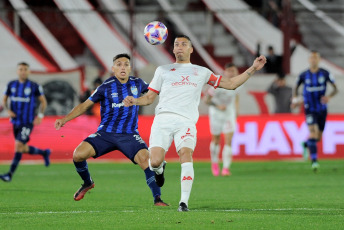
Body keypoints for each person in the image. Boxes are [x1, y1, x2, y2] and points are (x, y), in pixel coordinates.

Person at [123, 35, 267, 211]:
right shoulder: (162, 70)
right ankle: (160, 169)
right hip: (163, 119)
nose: (180, 47)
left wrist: (253, 68)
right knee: (154, 161)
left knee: (186, 154)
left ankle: (183, 202)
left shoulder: (201, 71)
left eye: (184, 44)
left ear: (191, 49)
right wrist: (135, 101)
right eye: (177, 44)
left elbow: (230, 84)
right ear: (173, 49)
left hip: (186, 121)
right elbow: (149, 98)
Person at [54, 54, 168, 206]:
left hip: (129, 135)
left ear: (130, 68)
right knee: (78, 155)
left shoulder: (138, 83)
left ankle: (157, 199)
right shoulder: (105, 87)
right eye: (119, 64)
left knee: (145, 161)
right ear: (113, 68)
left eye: (126, 64)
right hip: (105, 133)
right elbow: (85, 105)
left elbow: (154, 92)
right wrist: (65, 119)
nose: (123, 67)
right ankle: (87, 182)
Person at [0, 62, 51, 182]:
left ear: (29, 71)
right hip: (15, 121)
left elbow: (43, 102)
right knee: (22, 147)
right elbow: (4, 99)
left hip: (27, 121)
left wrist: (40, 115)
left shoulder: (34, 86)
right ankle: (44, 153)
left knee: (18, 146)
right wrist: (8, 110)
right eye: (21, 69)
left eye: (25, 69)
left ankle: (9, 174)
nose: (23, 71)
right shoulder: (11, 84)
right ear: (17, 71)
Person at [291, 51, 338, 171]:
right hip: (309, 108)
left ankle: (306, 144)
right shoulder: (303, 75)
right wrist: (295, 100)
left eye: (316, 58)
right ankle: (314, 161)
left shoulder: (325, 73)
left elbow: (335, 89)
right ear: (309, 60)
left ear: (319, 59)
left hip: (322, 109)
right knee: (313, 132)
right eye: (312, 58)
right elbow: (295, 87)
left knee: (318, 137)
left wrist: (329, 97)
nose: (313, 60)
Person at [204, 63, 241, 177]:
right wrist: (217, 106)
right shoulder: (218, 84)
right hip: (216, 114)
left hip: (229, 114)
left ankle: (226, 168)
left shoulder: (238, 83)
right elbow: (206, 100)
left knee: (229, 140)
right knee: (216, 139)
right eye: (229, 71)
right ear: (224, 72)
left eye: (233, 71)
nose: (231, 73)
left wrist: (236, 109)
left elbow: (236, 96)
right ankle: (214, 162)